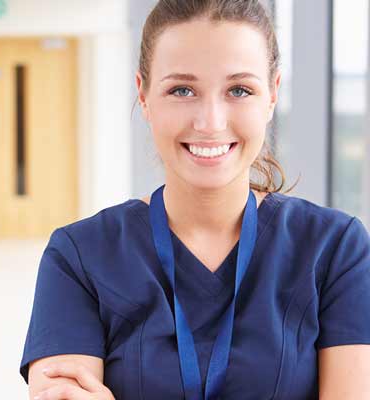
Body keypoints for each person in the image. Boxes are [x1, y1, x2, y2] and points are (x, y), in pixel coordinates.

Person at [20, 0, 370, 399]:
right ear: (145, 95)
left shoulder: (336, 248)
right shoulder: (79, 256)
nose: (210, 122)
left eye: (239, 89)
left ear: (271, 96)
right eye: (182, 90)